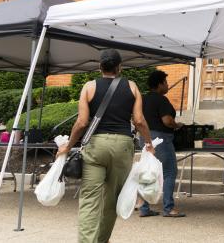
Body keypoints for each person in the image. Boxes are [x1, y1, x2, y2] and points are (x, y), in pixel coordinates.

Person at [57, 49, 155, 243]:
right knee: (111, 200)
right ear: (119, 67)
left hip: (96, 145)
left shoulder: (89, 87)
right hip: (122, 146)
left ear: (99, 66)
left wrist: (68, 146)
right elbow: (139, 120)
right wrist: (149, 144)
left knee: (90, 200)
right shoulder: (132, 86)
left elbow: (82, 122)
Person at [139, 70, 186, 218]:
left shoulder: (142, 99)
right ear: (159, 84)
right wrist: (177, 125)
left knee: (148, 172)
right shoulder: (161, 100)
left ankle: (144, 208)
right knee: (169, 172)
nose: (167, 85)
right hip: (161, 138)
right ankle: (168, 208)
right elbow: (167, 120)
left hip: (144, 138)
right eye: (165, 82)